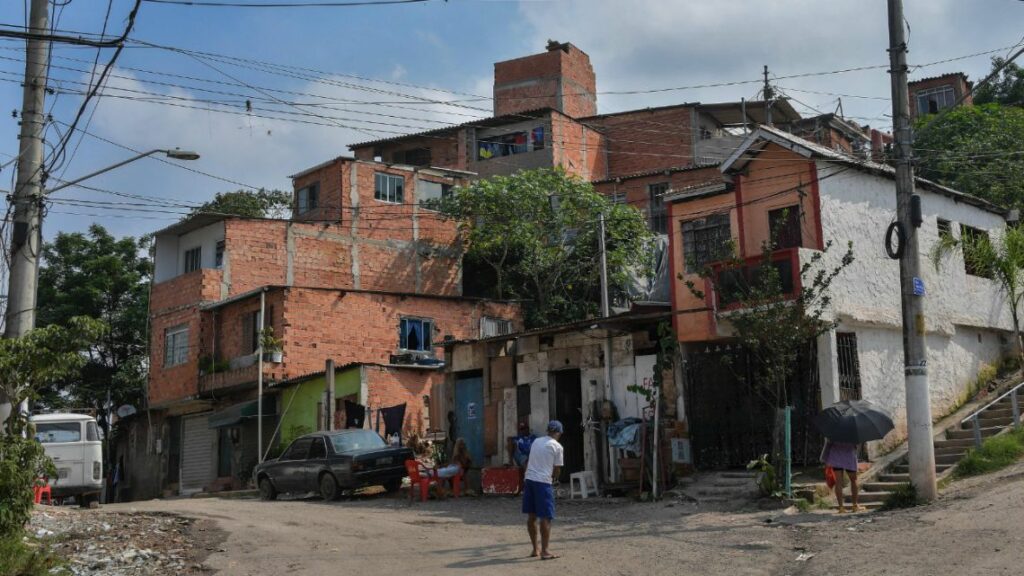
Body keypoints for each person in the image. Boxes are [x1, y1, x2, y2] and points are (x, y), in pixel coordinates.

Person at [522, 420, 564, 561]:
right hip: (543, 483)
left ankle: (535, 549)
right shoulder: (557, 447)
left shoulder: (537, 441)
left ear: (548, 431)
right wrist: (555, 480)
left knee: (531, 516)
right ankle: (545, 551)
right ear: (559, 433)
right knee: (545, 517)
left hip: (529, 480)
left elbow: (529, 459)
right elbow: (557, 469)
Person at [822, 439, 860, 513]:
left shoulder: (834, 430)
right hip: (849, 456)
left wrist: (825, 458)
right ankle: (854, 506)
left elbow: (829, 443)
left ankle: (841, 508)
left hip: (836, 456)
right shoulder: (852, 430)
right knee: (853, 480)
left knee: (838, 482)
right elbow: (856, 443)